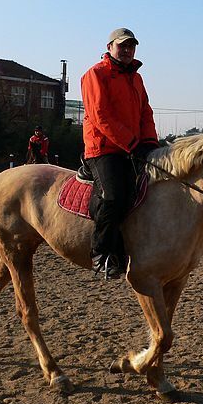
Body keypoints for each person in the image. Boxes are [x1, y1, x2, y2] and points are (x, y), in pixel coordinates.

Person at [81, 27, 160, 280]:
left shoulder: (136, 78)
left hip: (132, 146)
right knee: (113, 196)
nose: (127, 50)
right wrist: (132, 143)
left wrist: (150, 142)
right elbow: (100, 116)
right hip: (103, 148)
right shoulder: (95, 74)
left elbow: (145, 112)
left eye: (131, 46)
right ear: (109, 48)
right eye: (122, 45)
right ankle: (100, 253)